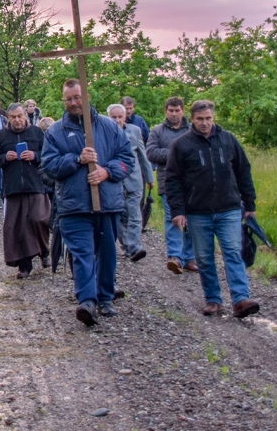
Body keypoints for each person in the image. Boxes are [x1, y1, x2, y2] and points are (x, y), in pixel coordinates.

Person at [42, 79, 136, 325]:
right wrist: (77, 159)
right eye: (69, 99)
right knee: (82, 253)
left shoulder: (110, 127)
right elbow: (49, 166)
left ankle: (105, 298)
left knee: (106, 253)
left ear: (86, 95)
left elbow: (127, 159)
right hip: (73, 205)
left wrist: (107, 172)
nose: (74, 103)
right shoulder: (55, 132)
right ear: (64, 101)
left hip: (107, 202)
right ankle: (87, 301)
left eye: (77, 97)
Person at [166, 100, 261, 319]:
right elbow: (172, 181)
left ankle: (240, 299)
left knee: (233, 253)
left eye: (208, 118)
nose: (205, 123)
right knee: (205, 258)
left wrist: (249, 204)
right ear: (191, 119)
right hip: (197, 212)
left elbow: (243, 171)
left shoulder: (228, 140)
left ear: (213, 117)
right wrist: (178, 211)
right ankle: (213, 300)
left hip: (228, 209)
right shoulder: (182, 145)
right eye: (200, 119)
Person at [0, 104, 51, 278]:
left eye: (20, 116)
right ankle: (24, 265)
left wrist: (35, 156)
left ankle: (45, 252)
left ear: (26, 116)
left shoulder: (37, 133)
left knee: (39, 219)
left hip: (35, 184)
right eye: (13, 117)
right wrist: (5, 158)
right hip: (13, 187)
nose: (17, 120)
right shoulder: (1, 136)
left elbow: (49, 154)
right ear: (8, 118)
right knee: (17, 227)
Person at [145, 97, 198, 274]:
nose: (174, 114)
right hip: (168, 182)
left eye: (177, 110)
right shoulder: (157, 132)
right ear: (166, 111)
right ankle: (174, 256)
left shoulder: (193, 130)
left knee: (192, 220)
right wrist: (176, 154)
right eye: (170, 110)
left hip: (193, 184)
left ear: (183, 111)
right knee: (173, 218)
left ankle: (189, 257)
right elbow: (151, 152)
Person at [107, 104, 149, 262]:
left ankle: (134, 246)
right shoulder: (105, 133)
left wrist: (149, 178)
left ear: (125, 117)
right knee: (118, 215)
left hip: (134, 179)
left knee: (135, 214)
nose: (117, 120)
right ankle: (127, 245)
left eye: (120, 117)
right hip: (114, 181)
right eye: (114, 117)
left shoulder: (135, 131)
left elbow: (143, 155)